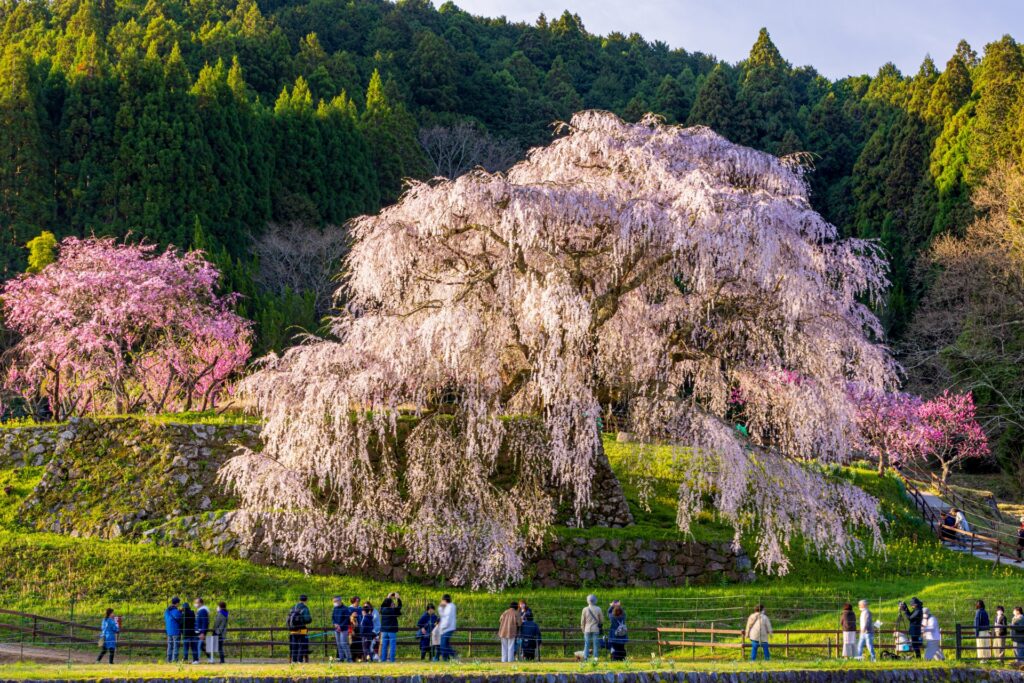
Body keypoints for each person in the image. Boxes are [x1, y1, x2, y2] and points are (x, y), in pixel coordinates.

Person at [288, 594, 312, 664]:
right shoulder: (305, 608)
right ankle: (300, 660)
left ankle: (294, 660)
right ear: (306, 600)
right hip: (301, 630)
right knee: (301, 645)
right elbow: (308, 619)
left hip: (293, 630)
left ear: (299, 599)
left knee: (294, 645)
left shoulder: (293, 607)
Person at [379, 593, 402, 663]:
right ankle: (392, 660)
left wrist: (387, 597)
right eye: (392, 603)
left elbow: (382, 605)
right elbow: (400, 606)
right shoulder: (393, 610)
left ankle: (383, 659)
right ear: (390, 604)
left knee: (384, 646)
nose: (393, 604)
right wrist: (398, 598)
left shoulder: (383, 610)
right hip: (392, 631)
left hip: (384, 631)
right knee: (392, 646)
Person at [580, 594, 603, 661]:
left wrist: (582, 628)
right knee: (595, 644)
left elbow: (582, 621)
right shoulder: (598, 609)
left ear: (588, 601)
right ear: (595, 601)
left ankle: (585, 657)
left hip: (587, 629)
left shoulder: (585, 609)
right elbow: (602, 620)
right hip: (595, 629)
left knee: (586, 644)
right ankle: (595, 657)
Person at [437, 594, 457, 661]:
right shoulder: (450, 606)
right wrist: (441, 607)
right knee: (445, 644)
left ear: (445, 600)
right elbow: (442, 615)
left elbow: (447, 618)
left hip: (447, 628)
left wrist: (443, 627)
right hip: (448, 628)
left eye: (442, 600)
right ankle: (447, 657)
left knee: (443, 645)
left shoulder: (450, 607)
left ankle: (452, 655)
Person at [332, 596, 352, 662]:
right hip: (336, 629)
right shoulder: (335, 609)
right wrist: (335, 624)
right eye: (333, 601)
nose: (334, 603)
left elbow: (347, 619)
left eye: (335, 601)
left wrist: (341, 626)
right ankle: (341, 658)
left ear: (340, 601)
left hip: (343, 629)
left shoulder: (345, 609)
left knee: (343, 643)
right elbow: (333, 618)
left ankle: (349, 658)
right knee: (338, 644)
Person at [164, 597, 184, 663]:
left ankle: (168, 659)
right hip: (176, 631)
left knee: (169, 646)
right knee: (176, 646)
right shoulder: (176, 611)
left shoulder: (167, 611)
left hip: (169, 631)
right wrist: (181, 612)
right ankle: (174, 660)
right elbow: (180, 618)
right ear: (177, 603)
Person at [194, 598, 210, 664]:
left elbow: (204, 622)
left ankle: (196, 660)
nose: (195, 604)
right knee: (201, 646)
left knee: (198, 645)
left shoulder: (203, 611)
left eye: (197, 602)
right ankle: (210, 657)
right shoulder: (200, 610)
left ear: (201, 603)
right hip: (198, 631)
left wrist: (203, 633)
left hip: (201, 632)